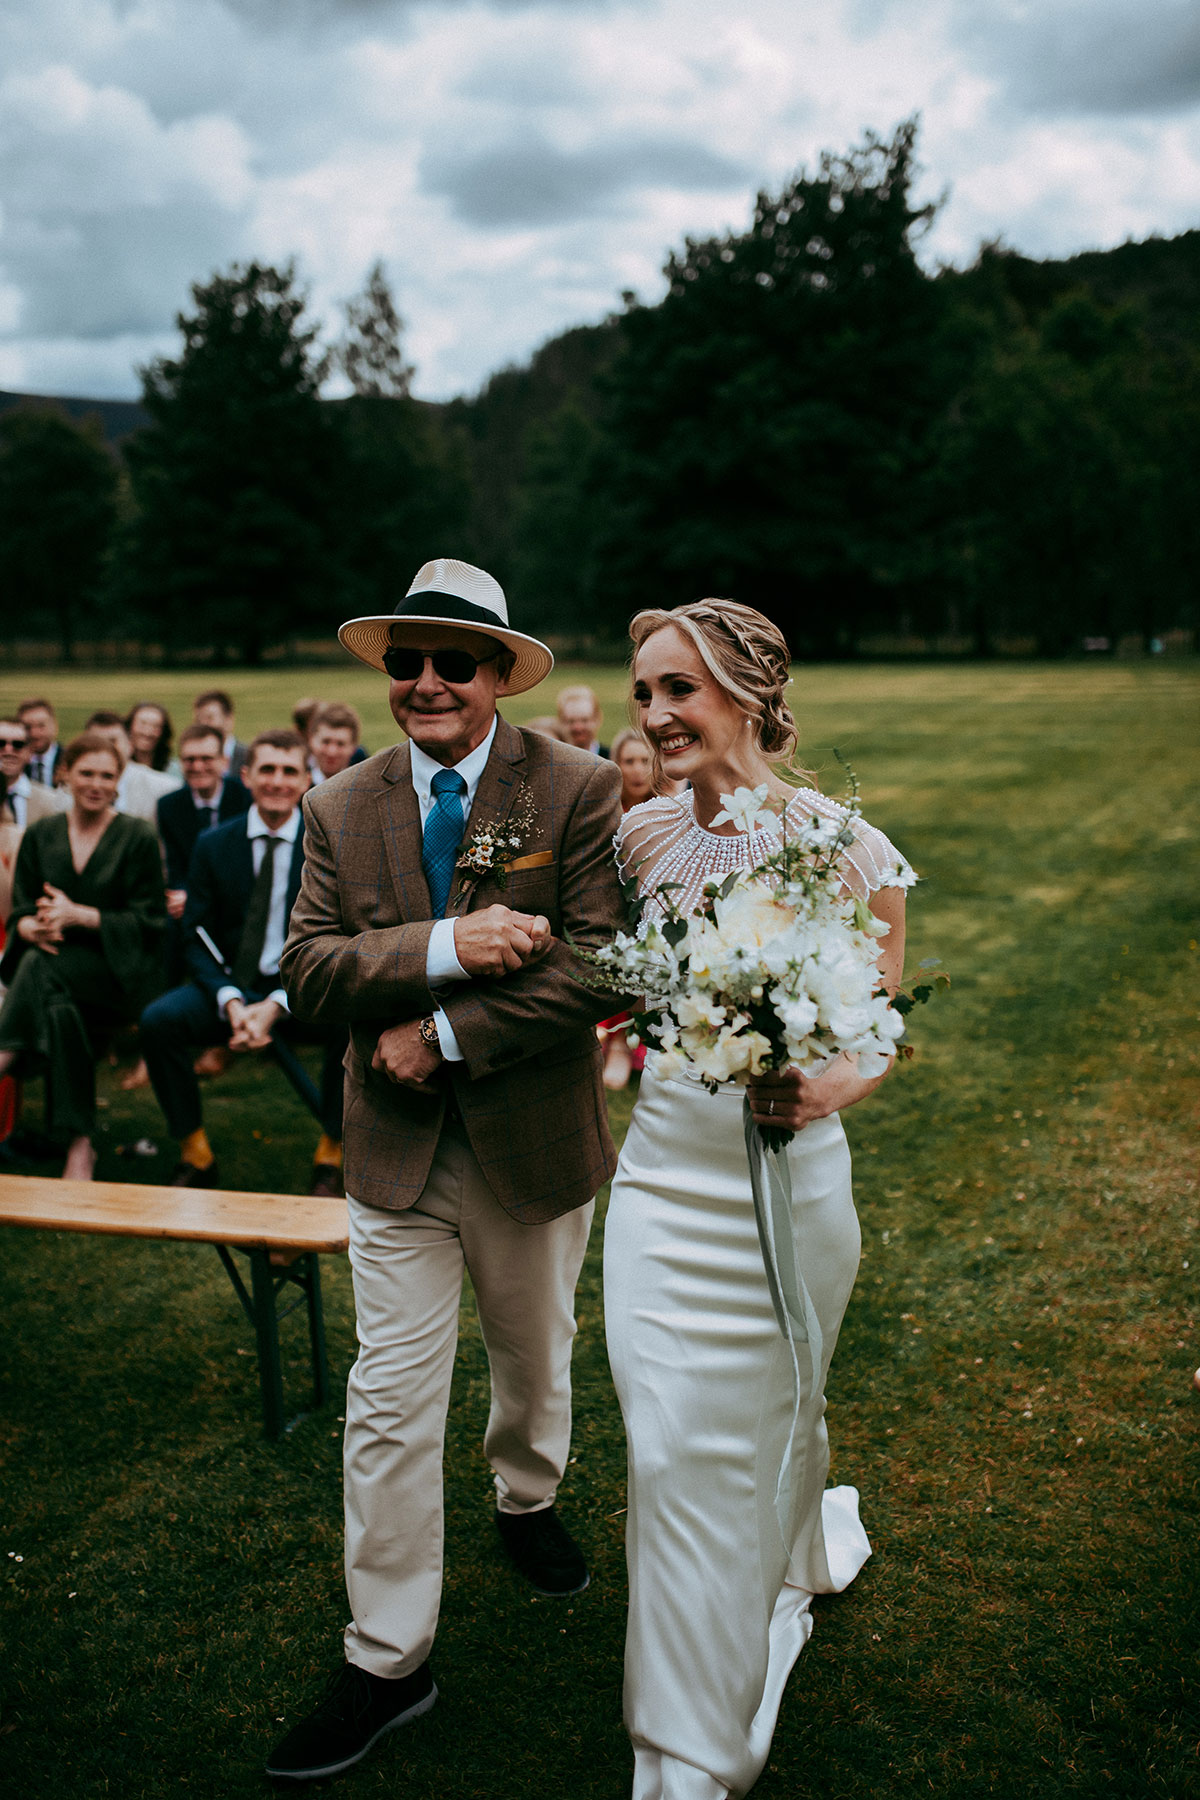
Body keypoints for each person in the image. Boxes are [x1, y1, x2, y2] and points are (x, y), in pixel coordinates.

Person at [265, 557, 625, 1784]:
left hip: (530, 1144)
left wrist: (446, 1029)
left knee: (533, 1361)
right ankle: (387, 1657)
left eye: (452, 661)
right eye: (405, 660)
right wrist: (444, 944)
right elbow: (309, 970)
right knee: (389, 1398)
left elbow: (601, 965)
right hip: (395, 1157)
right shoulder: (335, 805)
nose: (424, 680)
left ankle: (525, 1497)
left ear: (496, 676)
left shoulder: (574, 785)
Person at [604, 599, 913, 1800]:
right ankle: (686, 1748)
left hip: (787, 1189)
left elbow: (878, 1030)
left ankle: (784, 1553)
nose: (655, 715)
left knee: (779, 1411)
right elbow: (635, 995)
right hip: (662, 1181)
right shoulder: (638, 842)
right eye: (643, 694)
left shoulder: (847, 844)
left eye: (677, 689)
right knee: (668, 1441)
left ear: (744, 689)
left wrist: (818, 1087)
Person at [139, 730, 344, 1196]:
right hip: (229, 986)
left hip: (302, 986)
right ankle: (196, 1154)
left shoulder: (326, 846)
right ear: (246, 776)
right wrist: (230, 999)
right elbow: (194, 935)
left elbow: (338, 938)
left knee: (351, 1022)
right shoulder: (214, 844)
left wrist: (276, 1003)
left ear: (307, 779)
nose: (277, 781)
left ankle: (330, 1155)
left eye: (289, 771)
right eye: (267, 769)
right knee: (158, 1021)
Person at [0, 732, 165, 1180]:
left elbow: (152, 923)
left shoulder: (137, 836)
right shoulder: (41, 835)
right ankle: (80, 1142)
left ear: (118, 782)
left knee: (40, 971)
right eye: (86, 773)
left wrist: (83, 917)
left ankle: (7, 1053)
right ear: (64, 774)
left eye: (107, 775)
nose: (96, 783)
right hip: (54, 972)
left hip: (117, 973)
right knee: (56, 1003)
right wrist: (29, 926)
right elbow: (20, 909)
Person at [597, 728, 656, 1091]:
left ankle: (648, 1042)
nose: (636, 770)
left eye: (644, 761)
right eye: (628, 761)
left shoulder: (668, 810)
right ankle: (617, 1042)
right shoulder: (604, 811)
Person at [84, 713, 179, 822]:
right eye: (97, 742)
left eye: (113, 741)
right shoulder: (70, 790)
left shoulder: (165, 788)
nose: (105, 749)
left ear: (130, 745)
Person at [193, 689, 248, 782]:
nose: (203, 725)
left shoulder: (248, 757)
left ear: (229, 720)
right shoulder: (192, 762)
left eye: (209, 718)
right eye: (198, 720)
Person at [306, 701, 362, 785]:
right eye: (326, 742)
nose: (332, 752)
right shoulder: (291, 787)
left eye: (340, 744)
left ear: (354, 747)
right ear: (311, 740)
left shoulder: (363, 785)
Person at [125, 701, 178, 777]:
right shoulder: (117, 767)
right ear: (129, 727)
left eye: (156, 726)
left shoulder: (175, 770)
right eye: (142, 724)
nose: (147, 733)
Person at [17, 698, 61, 788]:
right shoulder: (13, 763)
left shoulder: (68, 760)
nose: (34, 734)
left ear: (54, 726)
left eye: (41, 726)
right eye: (28, 727)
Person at [556, 683, 608, 756]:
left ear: (597, 719)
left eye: (584, 720)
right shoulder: (554, 759)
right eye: (571, 721)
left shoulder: (613, 759)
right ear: (560, 722)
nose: (578, 728)